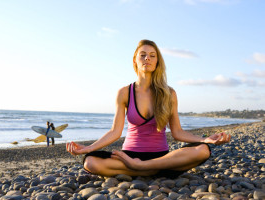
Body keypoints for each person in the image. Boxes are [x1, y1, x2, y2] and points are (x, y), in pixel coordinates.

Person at [66, 39, 231, 178]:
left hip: (161, 157)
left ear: (157, 61)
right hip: (130, 155)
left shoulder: (169, 93)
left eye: (152, 56)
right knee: (90, 162)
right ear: (135, 60)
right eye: (143, 55)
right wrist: (88, 148)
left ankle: (143, 168)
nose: (147, 59)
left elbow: (178, 133)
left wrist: (205, 140)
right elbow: (115, 132)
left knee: (203, 151)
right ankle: (152, 170)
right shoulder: (124, 93)